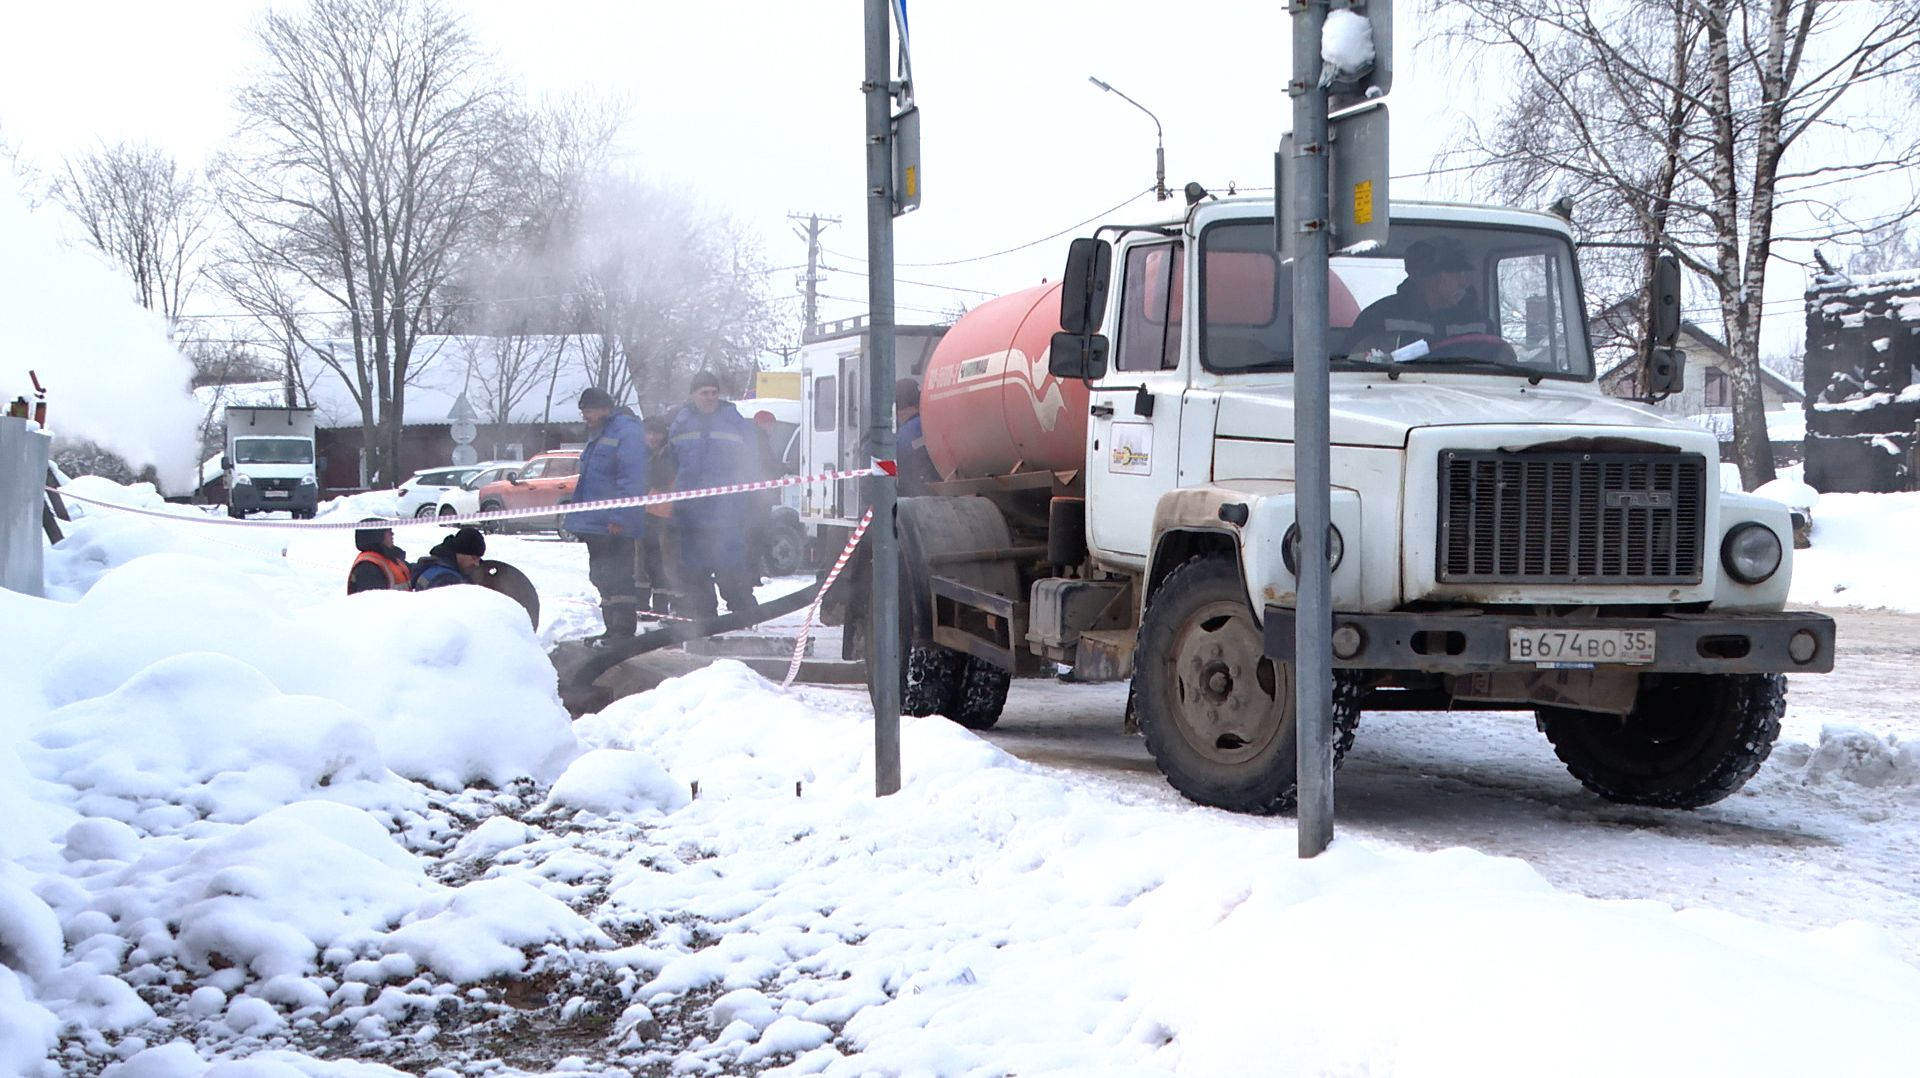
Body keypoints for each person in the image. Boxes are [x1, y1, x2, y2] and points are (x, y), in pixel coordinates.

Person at [668, 370, 761, 621]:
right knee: (695, 571)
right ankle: (704, 622)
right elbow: (672, 463)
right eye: (704, 393)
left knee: (730, 567)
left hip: (727, 511)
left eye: (714, 393)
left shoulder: (735, 421)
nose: (710, 398)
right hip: (690, 513)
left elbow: (753, 459)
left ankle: (745, 619)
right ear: (692, 395)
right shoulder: (681, 423)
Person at [566, 386, 651, 640]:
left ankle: (623, 631)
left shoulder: (627, 432)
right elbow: (589, 479)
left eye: (589, 411)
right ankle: (611, 628)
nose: (585, 417)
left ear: (605, 408)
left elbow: (632, 479)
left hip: (614, 523)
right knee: (601, 575)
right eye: (583, 412)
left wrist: (619, 516)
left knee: (618, 575)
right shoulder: (599, 433)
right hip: (596, 522)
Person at [1346, 236, 1505, 361]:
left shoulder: (1480, 324)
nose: (1464, 282)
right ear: (1425, 276)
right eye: (1454, 273)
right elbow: (1354, 370)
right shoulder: (1378, 319)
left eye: (1464, 274)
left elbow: (1502, 366)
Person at [639, 414, 680, 615]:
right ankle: (659, 606)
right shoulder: (649, 454)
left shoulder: (668, 454)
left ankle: (669, 606)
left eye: (657, 433)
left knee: (664, 562)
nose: (653, 437)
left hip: (665, 513)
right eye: (649, 433)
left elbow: (660, 478)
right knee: (652, 562)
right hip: (651, 512)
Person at [894, 377, 940, 497]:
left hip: (916, 500)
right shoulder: (934, 422)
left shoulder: (903, 436)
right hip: (942, 494)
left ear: (899, 409)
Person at [346, 519, 409, 594]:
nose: (392, 534)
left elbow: (409, 571)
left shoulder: (389, 558)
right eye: (388, 531)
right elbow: (373, 602)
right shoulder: (368, 569)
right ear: (377, 536)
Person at [412, 526, 485, 590]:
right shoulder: (447, 579)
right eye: (473, 558)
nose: (476, 564)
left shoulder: (435, 565)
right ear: (460, 553)